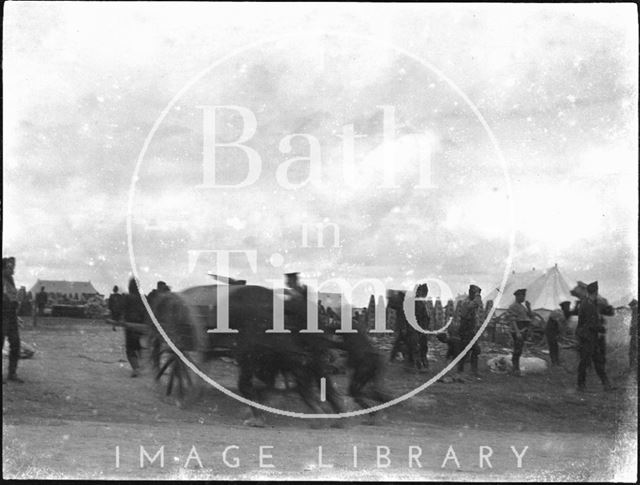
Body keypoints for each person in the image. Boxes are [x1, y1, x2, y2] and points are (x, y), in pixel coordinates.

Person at [576, 281, 613, 392]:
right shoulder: (588, 305)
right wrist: (601, 328)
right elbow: (591, 324)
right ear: (596, 292)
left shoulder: (588, 303)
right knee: (585, 361)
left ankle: (606, 384)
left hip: (590, 337)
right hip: (587, 337)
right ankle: (581, 386)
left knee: (597, 361)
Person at [2, 257, 23, 383]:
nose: (12, 269)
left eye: (12, 267)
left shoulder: (10, 280)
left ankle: (12, 373)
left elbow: (13, 298)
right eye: (9, 267)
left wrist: (17, 301)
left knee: (16, 344)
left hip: (11, 316)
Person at [505, 289, 534, 377]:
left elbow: (530, 316)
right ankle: (515, 369)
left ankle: (516, 369)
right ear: (517, 296)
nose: (523, 298)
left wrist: (529, 307)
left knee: (519, 349)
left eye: (524, 296)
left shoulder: (522, 306)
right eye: (521, 296)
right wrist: (517, 332)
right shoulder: (513, 306)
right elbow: (513, 320)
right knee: (517, 350)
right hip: (518, 330)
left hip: (523, 329)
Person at [122, 278, 147, 377]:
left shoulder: (128, 297)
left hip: (130, 325)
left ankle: (136, 368)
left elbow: (123, 309)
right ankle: (141, 364)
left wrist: (122, 320)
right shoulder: (143, 297)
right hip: (141, 324)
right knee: (137, 345)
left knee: (130, 348)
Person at [456, 284, 482, 377]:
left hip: (470, 329)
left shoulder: (470, 301)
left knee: (475, 350)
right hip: (465, 329)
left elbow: (478, 305)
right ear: (471, 293)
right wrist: (478, 295)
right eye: (475, 293)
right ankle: (461, 369)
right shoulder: (466, 302)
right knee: (466, 350)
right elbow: (475, 303)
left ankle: (472, 370)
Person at [545, 301, 571, 366]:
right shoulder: (558, 312)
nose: (568, 308)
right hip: (551, 331)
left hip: (554, 331)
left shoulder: (561, 312)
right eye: (567, 307)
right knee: (553, 346)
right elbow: (560, 324)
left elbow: (563, 324)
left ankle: (556, 361)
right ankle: (554, 362)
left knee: (555, 346)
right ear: (564, 307)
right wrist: (563, 333)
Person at [630, 299, 638, 371]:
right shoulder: (635, 311)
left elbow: (634, 324)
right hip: (634, 334)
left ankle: (633, 366)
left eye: (631, 306)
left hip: (635, 334)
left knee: (633, 350)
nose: (630, 307)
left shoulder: (635, 311)